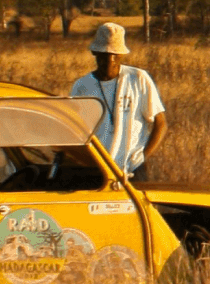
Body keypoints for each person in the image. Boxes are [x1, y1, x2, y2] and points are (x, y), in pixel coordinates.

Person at [71, 22, 167, 181]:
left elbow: (160, 123)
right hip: (98, 171)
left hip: (134, 170)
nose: (110, 59)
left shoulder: (138, 78)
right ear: (95, 53)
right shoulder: (82, 86)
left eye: (115, 54)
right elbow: (75, 132)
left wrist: (142, 156)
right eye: (104, 54)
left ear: (122, 55)